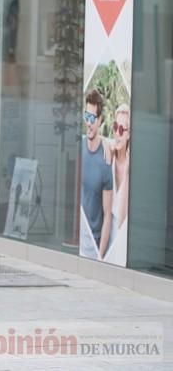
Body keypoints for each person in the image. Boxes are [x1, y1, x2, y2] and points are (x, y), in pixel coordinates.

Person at [80, 89, 113, 260]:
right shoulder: (78, 147)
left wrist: (100, 256)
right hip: (77, 241)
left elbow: (108, 214)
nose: (89, 123)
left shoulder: (106, 160)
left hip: (93, 245)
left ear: (100, 120)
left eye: (93, 118)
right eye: (87, 116)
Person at [105, 104, 130, 257]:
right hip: (106, 244)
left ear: (129, 134)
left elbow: (123, 218)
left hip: (123, 245)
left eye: (122, 129)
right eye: (115, 127)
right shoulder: (109, 158)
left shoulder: (131, 166)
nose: (117, 133)